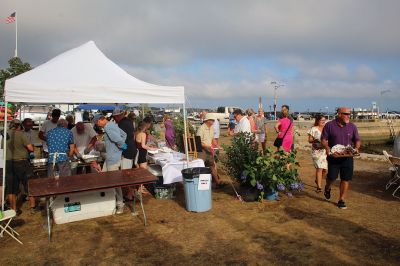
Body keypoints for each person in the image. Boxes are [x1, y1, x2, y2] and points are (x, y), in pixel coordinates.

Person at [321, 107, 361, 209]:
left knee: (345, 179)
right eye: (346, 114)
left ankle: (341, 199)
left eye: (349, 114)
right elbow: (323, 139)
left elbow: (357, 140)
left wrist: (356, 148)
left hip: (347, 157)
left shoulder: (352, 126)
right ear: (339, 114)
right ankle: (327, 188)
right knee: (332, 177)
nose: (348, 116)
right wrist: (326, 147)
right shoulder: (329, 125)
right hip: (334, 157)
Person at [93, 114, 127, 214]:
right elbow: (124, 134)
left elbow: (117, 139)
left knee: (115, 183)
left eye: (97, 123)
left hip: (112, 159)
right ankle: (108, 202)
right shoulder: (113, 124)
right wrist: (120, 148)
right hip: (112, 157)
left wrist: (122, 146)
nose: (98, 126)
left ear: (100, 120)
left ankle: (120, 204)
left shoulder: (107, 127)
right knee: (104, 179)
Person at [196, 113, 224, 187]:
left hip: (208, 149)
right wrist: (207, 146)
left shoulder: (211, 128)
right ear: (207, 120)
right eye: (212, 120)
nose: (213, 122)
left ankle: (217, 182)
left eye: (213, 120)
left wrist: (217, 145)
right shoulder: (201, 128)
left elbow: (213, 139)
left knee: (212, 165)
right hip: (202, 150)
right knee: (201, 166)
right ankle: (200, 184)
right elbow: (199, 142)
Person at [308, 114, 327, 193]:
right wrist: (315, 140)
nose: (323, 122)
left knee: (325, 170)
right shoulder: (313, 129)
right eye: (321, 120)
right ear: (318, 121)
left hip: (325, 151)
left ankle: (317, 179)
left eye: (324, 120)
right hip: (316, 151)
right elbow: (309, 140)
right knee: (319, 168)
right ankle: (319, 187)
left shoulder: (326, 129)